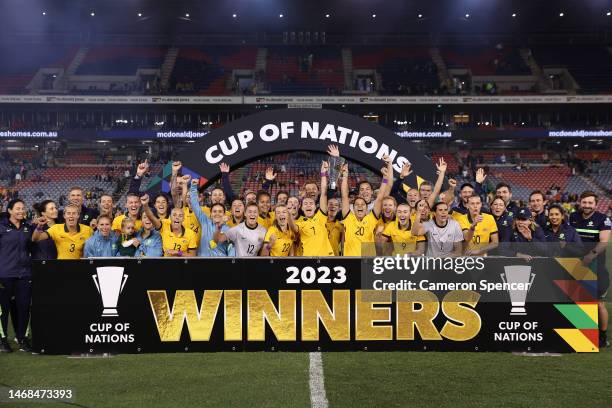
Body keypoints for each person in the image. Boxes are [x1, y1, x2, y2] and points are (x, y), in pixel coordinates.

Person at [569, 191, 611, 347]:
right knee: (577, 299)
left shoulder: (603, 219)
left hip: (596, 266)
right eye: (584, 202)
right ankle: (580, 332)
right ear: (580, 202)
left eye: (590, 203)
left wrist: (591, 255)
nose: (586, 205)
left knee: (599, 303)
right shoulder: (573, 217)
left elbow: (604, 241)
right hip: (575, 265)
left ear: (596, 204)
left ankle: (602, 336)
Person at [341, 153, 391, 256]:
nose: (360, 206)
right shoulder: (348, 218)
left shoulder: (371, 218)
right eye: (357, 205)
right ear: (353, 208)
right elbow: (344, 196)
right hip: (350, 262)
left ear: (366, 207)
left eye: (362, 204)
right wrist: (345, 176)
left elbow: (380, 197)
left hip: (367, 262)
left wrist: (385, 178)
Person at [0, 199, 33, 352]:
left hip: (24, 274)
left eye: (23, 208)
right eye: (18, 208)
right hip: (4, 275)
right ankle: (2, 339)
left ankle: (22, 338)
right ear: (10, 211)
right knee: (3, 310)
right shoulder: (1, 227)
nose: (21, 211)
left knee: (24, 307)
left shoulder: (28, 227)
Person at [188, 179, 235, 257]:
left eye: (220, 212)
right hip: (203, 262)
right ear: (211, 214)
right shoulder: (205, 221)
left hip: (220, 263)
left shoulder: (228, 229)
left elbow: (231, 248)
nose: (217, 214)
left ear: (224, 214)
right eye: (215, 211)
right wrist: (193, 187)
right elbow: (194, 204)